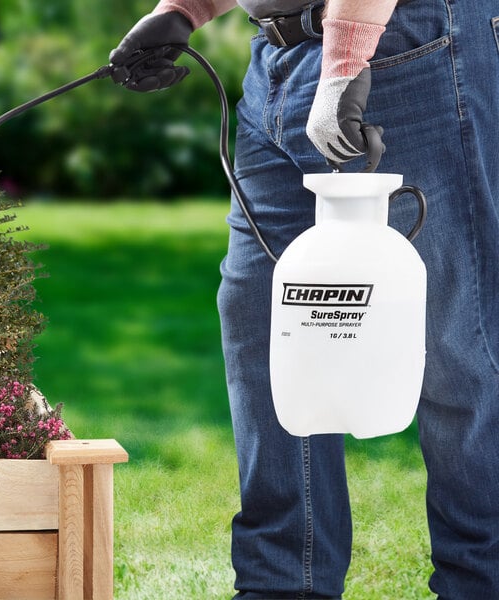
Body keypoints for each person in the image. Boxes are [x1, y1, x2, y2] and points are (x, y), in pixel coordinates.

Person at [111, 1, 499, 598]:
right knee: (268, 326)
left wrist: (345, 59)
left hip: (406, 49)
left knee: (455, 344)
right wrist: (185, 10)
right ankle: (283, 584)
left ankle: (481, 581)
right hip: (276, 62)